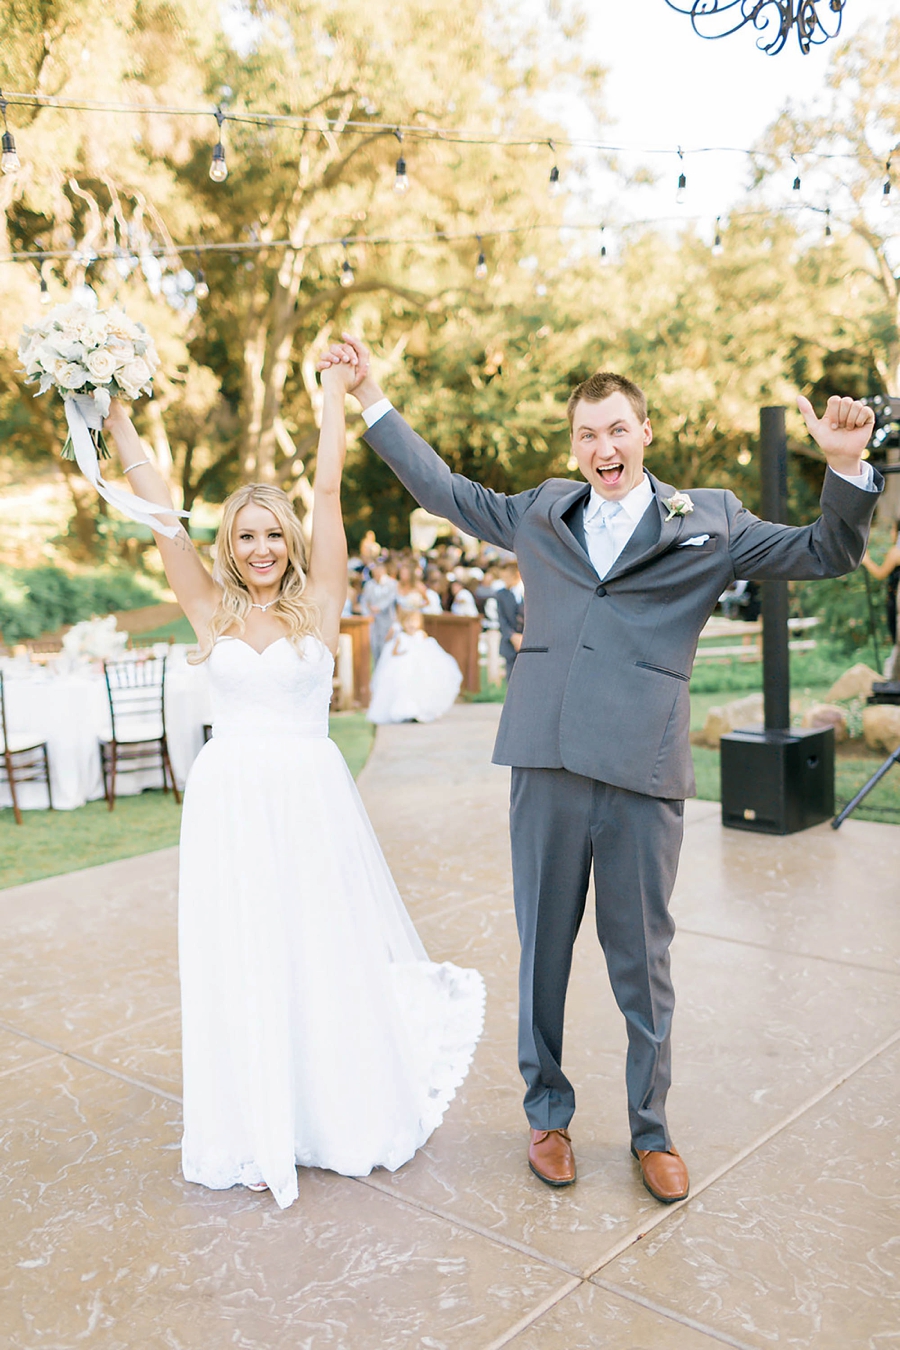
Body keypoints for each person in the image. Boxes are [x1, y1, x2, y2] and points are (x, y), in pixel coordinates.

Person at [319, 336, 881, 1205]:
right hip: (543, 760)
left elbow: (826, 552)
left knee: (642, 961)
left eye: (616, 430)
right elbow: (444, 491)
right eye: (587, 436)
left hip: (644, 770)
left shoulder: (714, 521)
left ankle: (650, 1132)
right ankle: (547, 1114)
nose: (602, 449)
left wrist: (846, 469)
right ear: (574, 446)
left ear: (645, 432)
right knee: (543, 949)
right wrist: (371, 394)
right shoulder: (543, 511)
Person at [103, 355, 485, 1211]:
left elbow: (327, 495)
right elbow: (163, 517)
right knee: (243, 954)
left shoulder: (319, 598)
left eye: (274, 533)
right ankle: (250, 1120)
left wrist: (330, 399)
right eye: (246, 535)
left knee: (319, 947)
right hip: (231, 806)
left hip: (312, 804)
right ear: (228, 548)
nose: (264, 547)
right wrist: (119, 423)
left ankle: (328, 1112)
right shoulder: (209, 610)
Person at [367, 608, 463, 724]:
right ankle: (405, 711)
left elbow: (428, 649)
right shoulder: (400, 637)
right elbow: (394, 652)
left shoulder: (421, 635)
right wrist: (402, 653)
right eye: (408, 622)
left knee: (421, 686)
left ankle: (421, 710)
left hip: (419, 667)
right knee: (403, 687)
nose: (411, 625)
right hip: (403, 667)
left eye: (413, 621)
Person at [862, 522, 900, 679]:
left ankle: (894, 679)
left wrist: (866, 560)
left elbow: (880, 573)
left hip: (896, 599)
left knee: (897, 639)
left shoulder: (896, 551)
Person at [359, 559, 398, 664]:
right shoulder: (369, 585)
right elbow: (364, 600)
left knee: (387, 646)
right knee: (374, 646)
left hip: (387, 620)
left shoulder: (392, 584)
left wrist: (378, 607)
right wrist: (367, 613)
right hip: (373, 621)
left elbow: (390, 599)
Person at [496, 562, 525, 682]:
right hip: (510, 644)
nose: (504, 581)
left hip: (530, 641)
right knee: (512, 680)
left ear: (517, 575)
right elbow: (502, 620)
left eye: (506, 578)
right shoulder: (501, 595)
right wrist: (513, 636)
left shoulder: (530, 591)